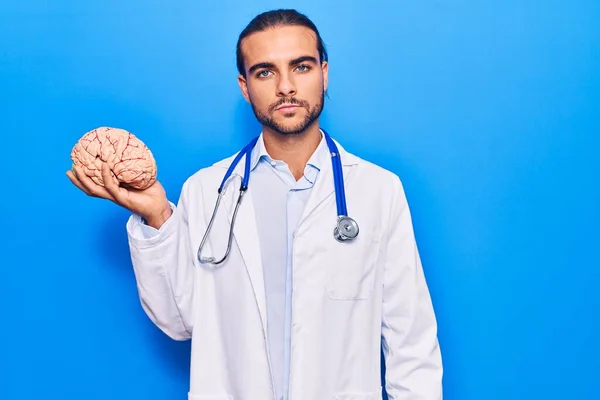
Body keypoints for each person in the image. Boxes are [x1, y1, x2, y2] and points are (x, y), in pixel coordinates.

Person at [66, 8, 443, 400]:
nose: (285, 87)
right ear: (245, 87)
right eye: (265, 72)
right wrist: (157, 215)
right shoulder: (207, 190)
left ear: (324, 73)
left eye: (301, 67)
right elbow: (179, 321)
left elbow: (411, 342)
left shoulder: (378, 190)